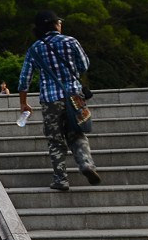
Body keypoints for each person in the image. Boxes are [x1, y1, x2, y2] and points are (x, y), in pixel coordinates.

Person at [18, 10, 101, 191]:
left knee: (55, 139)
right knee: (77, 133)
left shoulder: (35, 48)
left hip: (50, 100)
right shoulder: (71, 42)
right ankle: (86, 164)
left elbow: (24, 80)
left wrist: (23, 103)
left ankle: (61, 179)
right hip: (74, 97)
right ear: (56, 24)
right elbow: (84, 65)